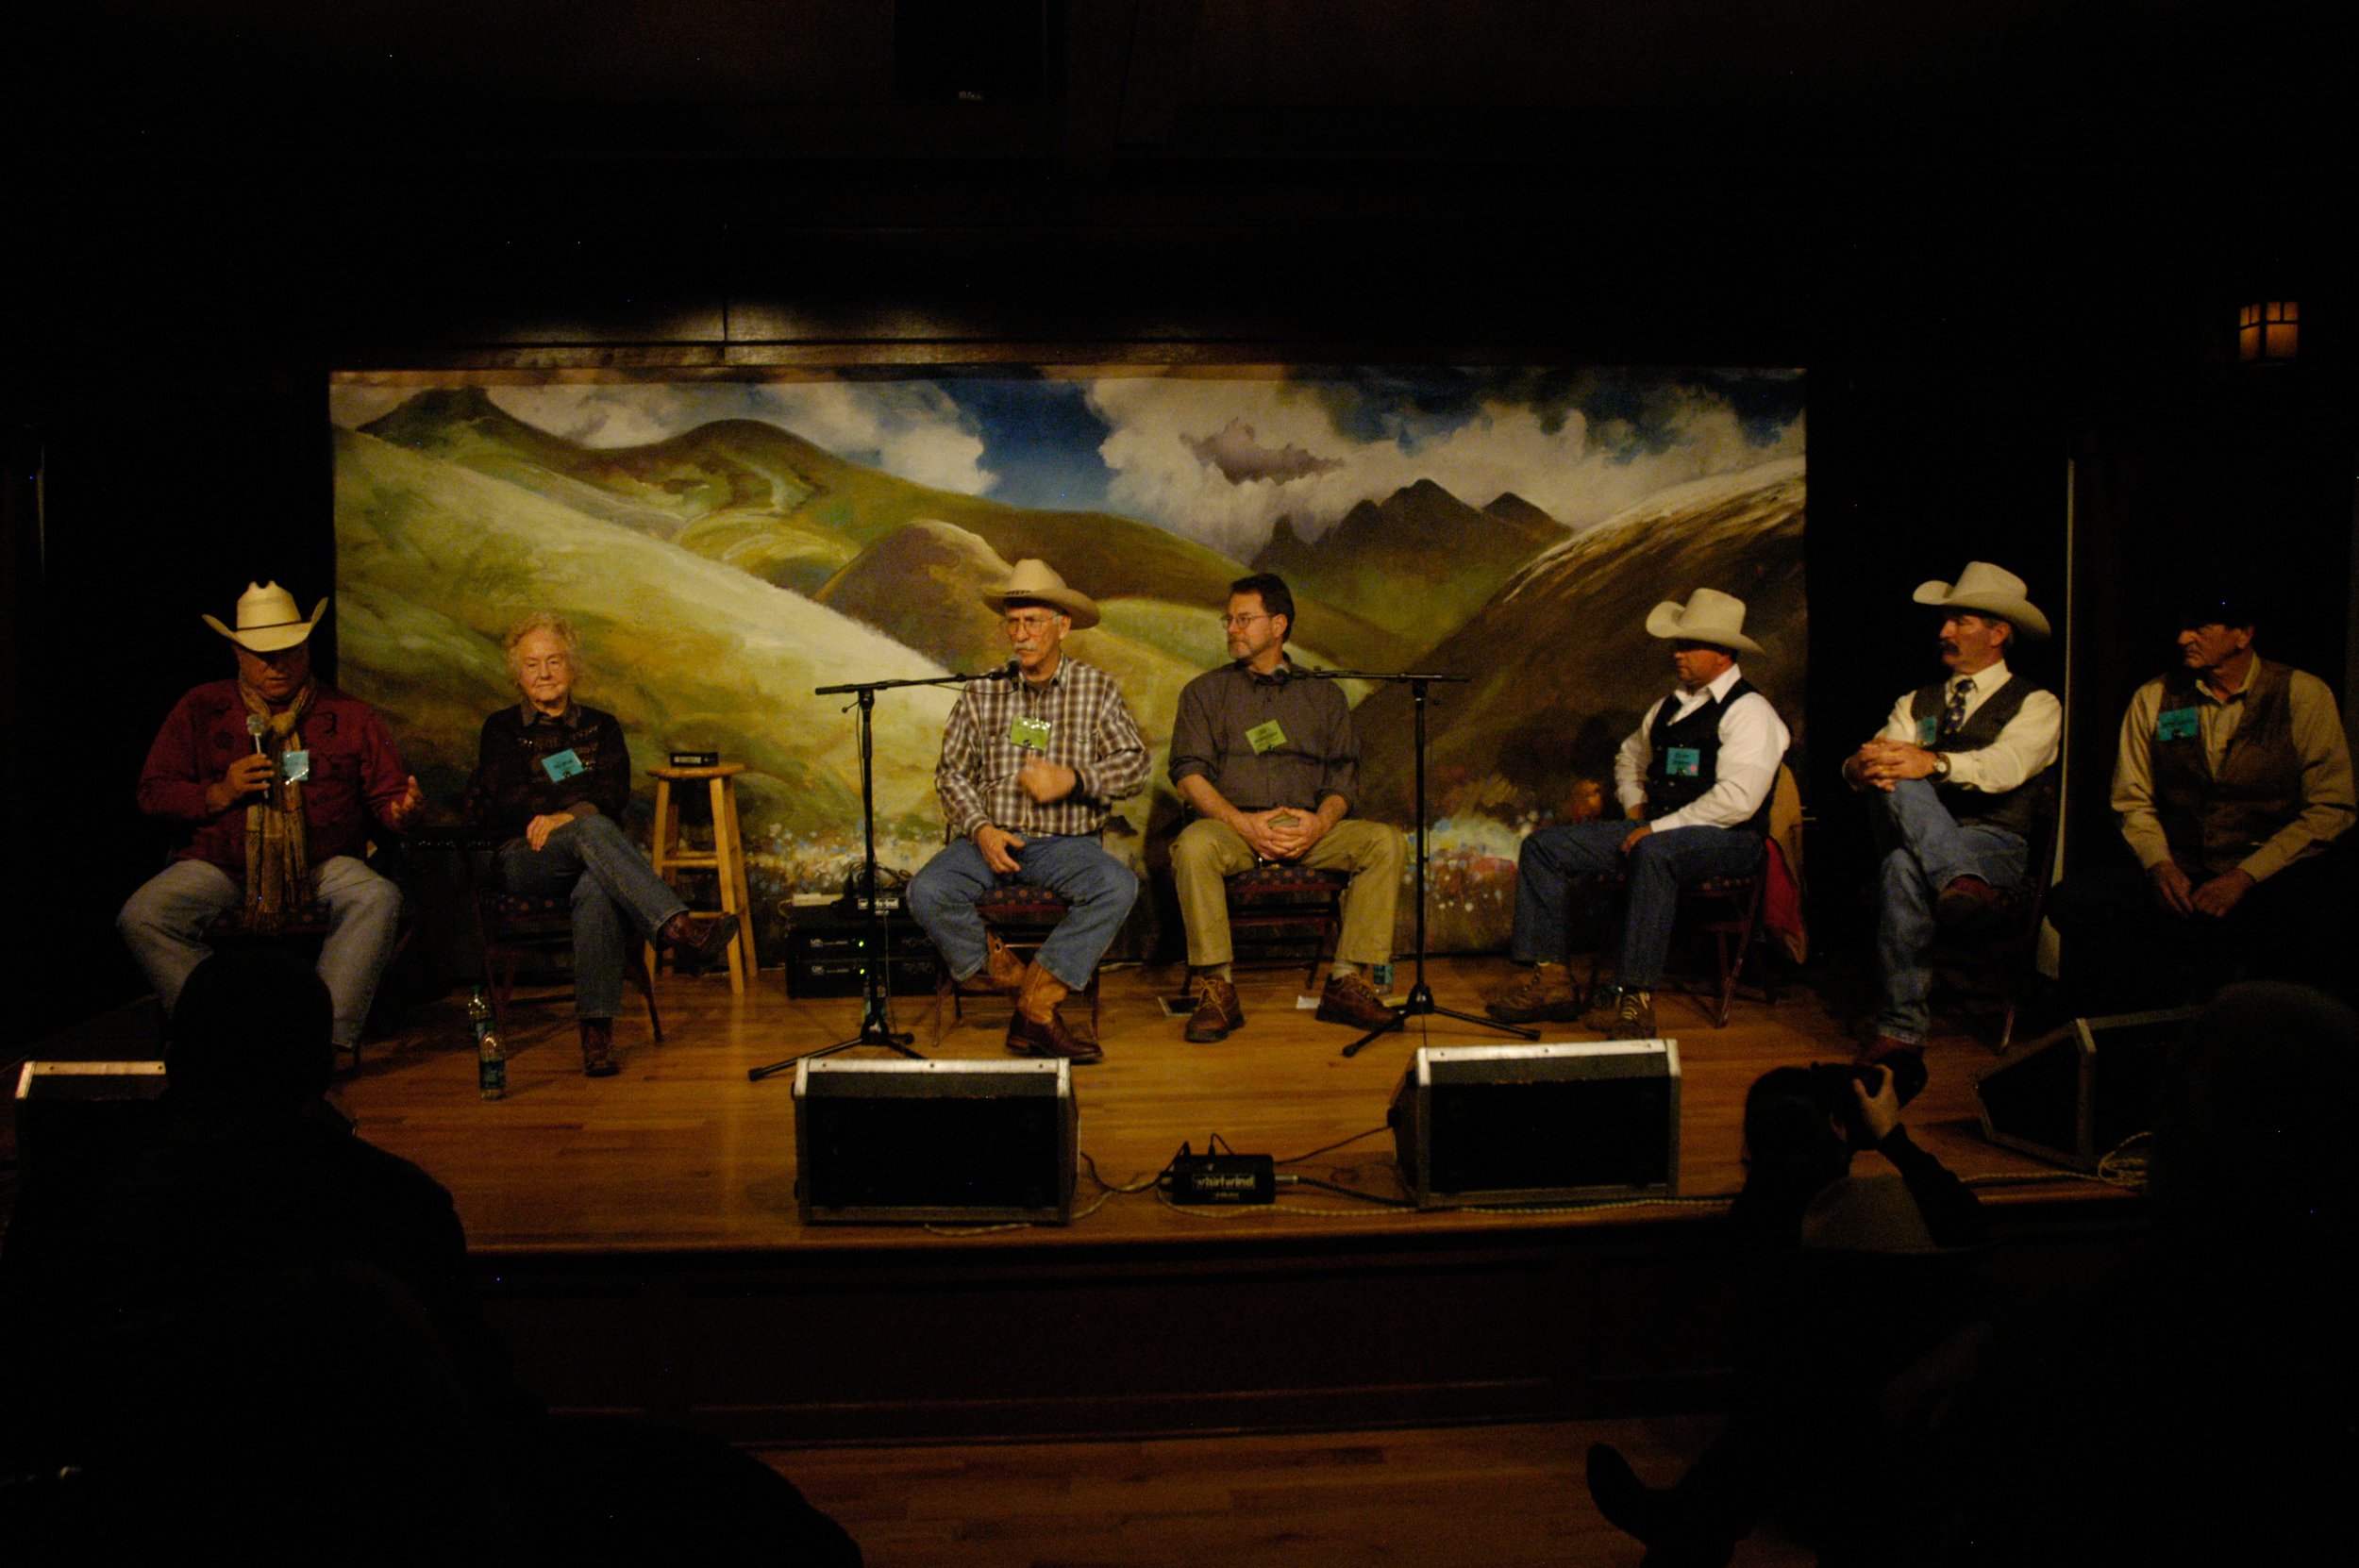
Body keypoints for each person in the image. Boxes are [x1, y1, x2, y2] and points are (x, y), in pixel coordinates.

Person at [1585, 1060, 1992, 1566]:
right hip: (1871, 1447)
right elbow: (1975, 1227)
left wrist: (1796, 1142)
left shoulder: (1767, 1229)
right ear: (1840, 1128)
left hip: (1862, 1448)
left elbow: (1768, 1208)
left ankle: (1691, 1522)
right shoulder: (1892, 1215)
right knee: (1812, 1372)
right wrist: (1891, 1137)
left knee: (1798, 1377)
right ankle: (1692, 1523)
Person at [117, 580, 424, 1055]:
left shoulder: (349, 714)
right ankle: (219, 1032)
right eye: (262, 653)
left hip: (321, 863)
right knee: (143, 915)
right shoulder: (202, 707)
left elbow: (388, 796)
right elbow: (153, 792)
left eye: (287, 650)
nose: (275, 664)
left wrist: (402, 812)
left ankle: (323, 1040)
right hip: (223, 864)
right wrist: (220, 791)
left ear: (306, 648)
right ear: (237, 653)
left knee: (376, 897)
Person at [1487, 589, 1790, 1040]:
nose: (1677, 653)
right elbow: (1629, 758)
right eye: (1677, 644)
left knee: (1653, 852)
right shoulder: (1668, 708)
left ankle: (1634, 998)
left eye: (1689, 645)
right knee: (1543, 848)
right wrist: (1637, 808)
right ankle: (1552, 980)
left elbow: (1737, 802)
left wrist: (1654, 828)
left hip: (1730, 839)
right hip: (1662, 829)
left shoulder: (1750, 712)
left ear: (1724, 654)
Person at [2049, 590, 2355, 1008]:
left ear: (2242, 634)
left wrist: (2246, 876)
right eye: (2181, 627)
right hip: (2182, 871)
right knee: (2076, 902)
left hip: (2264, 875)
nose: (2183, 638)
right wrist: (2160, 865)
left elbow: (2331, 807)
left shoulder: (2301, 693)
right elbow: (2132, 799)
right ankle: (2159, 1020)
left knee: (2322, 921)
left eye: (2199, 627)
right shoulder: (2154, 697)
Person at [463, 612, 737, 1076]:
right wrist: (570, 810)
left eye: (554, 661)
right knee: (594, 831)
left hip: (592, 855)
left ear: (572, 667)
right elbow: (511, 796)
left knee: (596, 886)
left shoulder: (602, 728)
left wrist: (565, 814)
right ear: (517, 674)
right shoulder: (502, 729)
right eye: (532, 664)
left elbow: (613, 794)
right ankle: (678, 929)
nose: (544, 673)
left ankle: (597, 1040)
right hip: (524, 858)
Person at [906, 559, 1148, 1063]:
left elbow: (1136, 767)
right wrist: (981, 829)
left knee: (1118, 886)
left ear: (1063, 625)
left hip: (1067, 844)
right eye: (1012, 622)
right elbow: (951, 773)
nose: (1020, 634)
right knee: (926, 891)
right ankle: (1028, 1000)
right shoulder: (982, 693)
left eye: (1032, 621)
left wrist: (1075, 778)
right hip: (991, 842)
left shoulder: (1095, 690)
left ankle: (1036, 1009)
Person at [1840, 563, 2060, 1096]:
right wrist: (1858, 767)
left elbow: (2006, 767)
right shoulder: (1914, 702)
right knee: (1896, 772)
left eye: (1959, 621)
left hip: (1996, 843)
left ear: (1998, 632)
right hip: (1943, 854)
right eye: (1946, 622)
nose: (1944, 633)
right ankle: (1959, 881)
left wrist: (1934, 764)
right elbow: (1877, 757)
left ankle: (1900, 1033)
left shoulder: (2036, 703)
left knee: (1899, 863)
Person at [1165, 574, 1404, 1042]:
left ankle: (1345, 981)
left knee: (1385, 842)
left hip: (1307, 827)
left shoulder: (1324, 696)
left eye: (1244, 619)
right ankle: (1218, 988)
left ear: (1278, 625)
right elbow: (1188, 772)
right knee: (1192, 847)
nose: (1232, 628)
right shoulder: (1204, 693)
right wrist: (1241, 822)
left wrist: (1320, 823)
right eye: (1228, 619)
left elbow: (1343, 776)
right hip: (1232, 827)